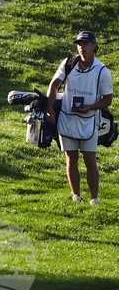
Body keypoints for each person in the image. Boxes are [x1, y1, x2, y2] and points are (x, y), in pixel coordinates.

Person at [45, 31, 113, 205]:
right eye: (79, 44)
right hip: (67, 119)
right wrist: (50, 108)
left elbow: (108, 99)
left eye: (86, 44)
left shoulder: (102, 71)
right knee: (70, 158)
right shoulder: (68, 63)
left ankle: (94, 198)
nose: (82, 47)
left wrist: (89, 107)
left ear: (94, 47)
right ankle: (76, 195)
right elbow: (54, 85)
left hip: (89, 120)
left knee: (90, 159)